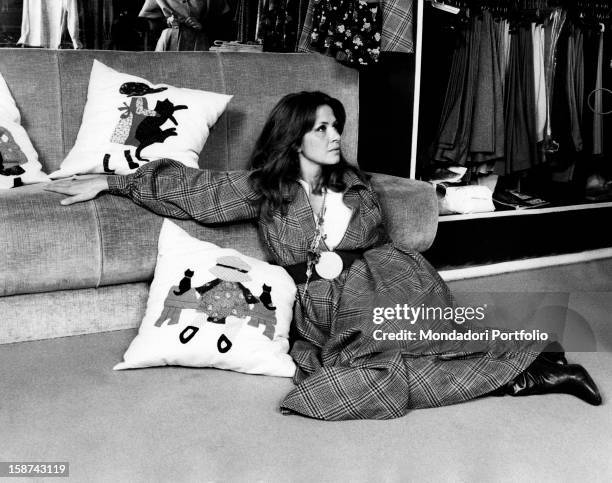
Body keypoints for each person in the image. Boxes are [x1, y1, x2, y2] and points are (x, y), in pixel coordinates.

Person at [45, 91, 602, 421]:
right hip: (329, 306)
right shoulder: (266, 187)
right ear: (295, 140)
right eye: (323, 128)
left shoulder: (355, 186)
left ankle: (531, 367)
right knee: (334, 389)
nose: (336, 136)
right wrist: (115, 182)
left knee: (414, 352)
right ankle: (532, 373)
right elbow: (195, 191)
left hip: (392, 282)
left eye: (336, 126)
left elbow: (372, 243)